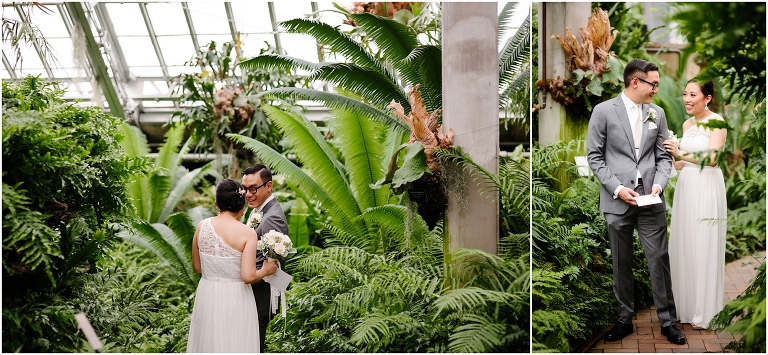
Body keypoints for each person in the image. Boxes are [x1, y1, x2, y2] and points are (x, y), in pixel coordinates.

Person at [586, 59, 685, 344]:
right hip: (618, 201)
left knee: (659, 260)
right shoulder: (603, 111)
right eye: (653, 83)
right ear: (635, 82)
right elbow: (595, 156)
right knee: (621, 262)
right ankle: (623, 320)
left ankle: (668, 322)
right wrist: (617, 188)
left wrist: (659, 184)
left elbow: (664, 157)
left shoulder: (658, 113)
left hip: (650, 200)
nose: (656, 88)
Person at [663, 79, 727, 330]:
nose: (687, 99)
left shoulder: (717, 122)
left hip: (707, 186)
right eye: (685, 94)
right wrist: (665, 158)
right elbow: (681, 165)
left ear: (707, 98)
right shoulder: (687, 124)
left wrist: (680, 153)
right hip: (687, 187)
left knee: (703, 243)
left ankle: (705, 310)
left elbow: (711, 160)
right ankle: (686, 306)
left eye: (693, 94)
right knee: (686, 243)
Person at [186, 179, 278, 352]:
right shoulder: (247, 233)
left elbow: (197, 268)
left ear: (216, 204)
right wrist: (266, 270)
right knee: (235, 343)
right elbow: (248, 276)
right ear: (242, 205)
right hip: (236, 298)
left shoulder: (201, 226)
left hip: (207, 294)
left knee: (209, 344)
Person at [241, 164, 288, 353]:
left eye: (253, 188)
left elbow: (270, 262)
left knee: (255, 342)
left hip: (261, 292)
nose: (248, 194)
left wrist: (243, 275)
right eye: (244, 189)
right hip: (255, 289)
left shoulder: (272, 217)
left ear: (269, 186)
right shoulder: (259, 211)